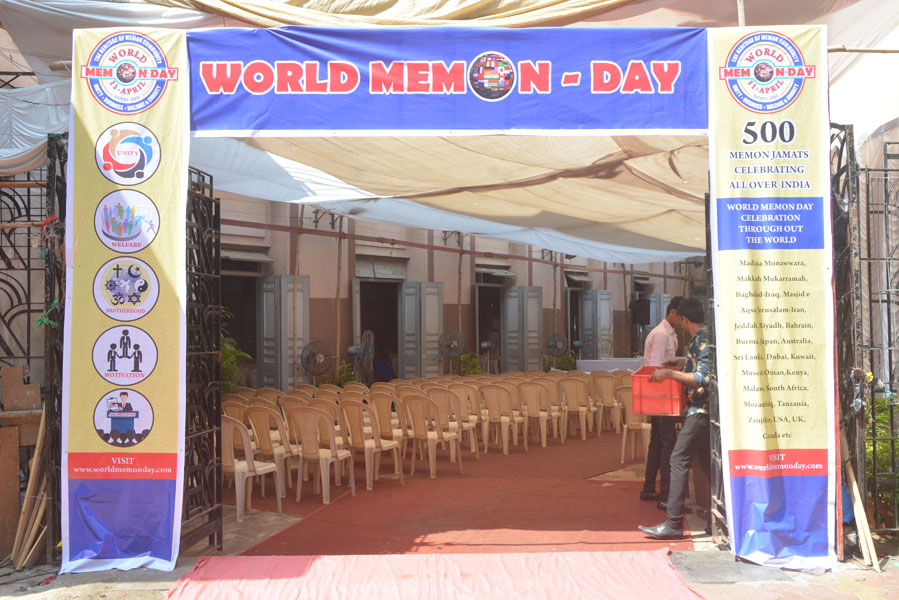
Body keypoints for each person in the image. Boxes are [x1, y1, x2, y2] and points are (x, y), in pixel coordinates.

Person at [638, 297, 711, 539]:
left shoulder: (701, 340)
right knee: (707, 464)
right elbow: (697, 366)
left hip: (700, 409)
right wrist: (681, 362)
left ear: (685, 319)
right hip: (700, 409)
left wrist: (670, 373)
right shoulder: (703, 338)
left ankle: (673, 522)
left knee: (678, 459)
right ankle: (714, 515)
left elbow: (703, 378)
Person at [639, 296, 683, 508]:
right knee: (667, 444)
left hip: (660, 395)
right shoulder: (661, 334)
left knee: (658, 442)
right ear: (672, 312)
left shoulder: (667, 333)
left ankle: (649, 488)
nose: (683, 321)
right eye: (681, 316)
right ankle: (665, 495)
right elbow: (656, 368)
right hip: (661, 395)